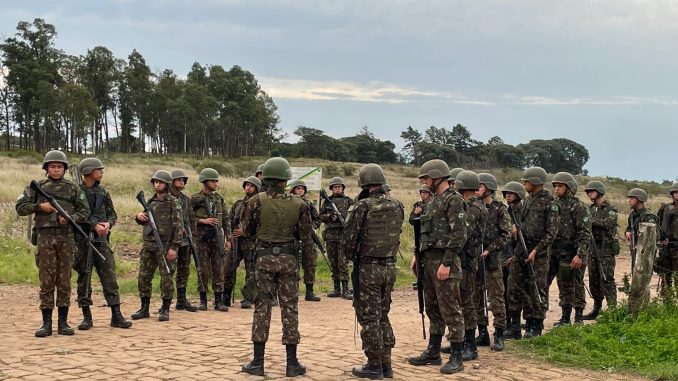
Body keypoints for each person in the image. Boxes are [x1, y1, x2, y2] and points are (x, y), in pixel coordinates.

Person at [241, 157, 313, 377]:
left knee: (262, 307)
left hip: (263, 259)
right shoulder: (299, 203)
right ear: (286, 178)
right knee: (289, 308)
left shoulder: (255, 201)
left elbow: (246, 230)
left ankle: (258, 362)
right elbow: (305, 234)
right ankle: (292, 364)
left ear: (267, 178)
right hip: (289, 260)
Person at [16, 150, 90, 337]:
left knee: (64, 281)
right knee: (47, 281)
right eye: (52, 166)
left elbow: (84, 212)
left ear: (64, 169)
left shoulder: (73, 188)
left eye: (59, 167)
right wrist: (39, 207)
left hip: (66, 237)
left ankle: (63, 323)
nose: (56, 170)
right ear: (46, 168)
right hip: (45, 237)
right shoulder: (36, 187)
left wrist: (71, 218)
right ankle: (46, 323)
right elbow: (20, 208)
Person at [343, 164, 404, 379]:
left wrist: (354, 257)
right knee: (383, 315)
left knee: (369, 318)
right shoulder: (398, 205)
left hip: (368, 269)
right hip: (389, 267)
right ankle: (386, 364)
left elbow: (348, 243)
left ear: (364, 183)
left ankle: (374, 365)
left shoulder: (362, 207)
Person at [407, 159, 467, 374]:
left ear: (437, 176)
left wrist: (447, 263)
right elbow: (426, 231)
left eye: (426, 178)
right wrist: (418, 256)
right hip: (428, 260)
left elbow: (459, 235)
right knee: (433, 308)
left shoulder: (454, 200)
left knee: (450, 309)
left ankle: (457, 355)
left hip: (445, 261)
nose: (424, 182)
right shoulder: (433, 201)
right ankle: (433, 351)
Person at [74, 158, 132, 330]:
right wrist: (94, 225)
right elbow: (76, 215)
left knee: (110, 277)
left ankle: (117, 315)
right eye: (99, 169)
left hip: (101, 241)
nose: (102, 172)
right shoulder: (76, 191)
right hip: (83, 241)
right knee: (84, 279)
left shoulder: (103, 192)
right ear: (89, 171)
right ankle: (86, 317)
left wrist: (108, 224)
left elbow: (112, 214)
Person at [131, 170, 183, 322]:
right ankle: (144, 308)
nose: (157, 184)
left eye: (160, 182)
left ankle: (165, 309)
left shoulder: (173, 202)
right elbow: (145, 220)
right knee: (143, 277)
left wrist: (174, 247)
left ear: (167, 184)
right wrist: (139, 217)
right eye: (155, 182)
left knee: (166, 278)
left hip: (166, 245)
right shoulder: (150, 201)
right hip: (149, 245)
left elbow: (178, 226)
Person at [513, 167, 559, 338]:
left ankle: (537, 325)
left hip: (538, 255)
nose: (524, 184)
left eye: (526, 181)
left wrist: (536, 250)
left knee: (537, 289)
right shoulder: (528, 200)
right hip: (523, 251)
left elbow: (551, 233)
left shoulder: (550, 203)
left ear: (536, 182)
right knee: (523, 288)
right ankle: (528, 321)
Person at [551, 173, 591, 326]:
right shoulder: (554, 205)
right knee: (563, 285)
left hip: (575, 252)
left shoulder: (578, 207)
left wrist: (580, 255)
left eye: (560, 186)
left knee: (577, 284)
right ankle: (565, 317)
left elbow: (584, 233)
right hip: (559, 253)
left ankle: (579, 317)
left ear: (569, 188)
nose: (557, 189)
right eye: (555, 186)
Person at [475, 173, 510, 351]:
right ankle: (482, 333)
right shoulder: (472, 207)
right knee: (476, 299)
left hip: (493, 261)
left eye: (479, 186)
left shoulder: (499, 209)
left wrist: (489, 249)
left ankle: (499, 335)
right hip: (475, 261)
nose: (476, 189)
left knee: (496, 298)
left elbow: (506, 235)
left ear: (488, 189)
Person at [191, 168, 232, 312]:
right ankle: (203, 300)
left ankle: (218, 301)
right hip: (201, 238)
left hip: (217, 238)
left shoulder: (219, 199)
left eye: (216, 181)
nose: (216, 183)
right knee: (202, 269)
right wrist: (203, 221)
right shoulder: (194, 199)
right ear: (205, 181)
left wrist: (229, 238)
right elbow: (187, 218)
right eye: (213, 181)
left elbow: (226, 219)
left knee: (219, 269)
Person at [582, 180, 619, 319]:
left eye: (591, 191)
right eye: (587, 192)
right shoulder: (590, 209)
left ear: (599, 192)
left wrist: (589, 221)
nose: (589, 194)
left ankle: (613, 310)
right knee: (594, 281)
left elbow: (608, 224)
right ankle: (596, 309)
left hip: (606, 251)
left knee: (607, 280)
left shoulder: (611, 209)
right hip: (592, 250)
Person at [224, 176, 262, 308]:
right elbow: (229, 221)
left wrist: (244, 232)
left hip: (251, 243)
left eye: (251, 185)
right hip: (236, 243)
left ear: (257, 188)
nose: (248, 187)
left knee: (250, 271)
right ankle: (226, 296)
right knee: (228, 268)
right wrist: (230, 237)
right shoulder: (238, 204)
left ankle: (248, 298)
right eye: (246, 185)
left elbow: (261, 225)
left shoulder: (259, 204)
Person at [169, 169, 199, 313]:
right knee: (169, 270)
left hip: (185, 240)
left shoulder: (186, 200)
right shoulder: (165, 198)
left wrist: (192, 235)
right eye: (179, 180)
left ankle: (181, 299)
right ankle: (166, 300)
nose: (182, 182)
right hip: (170, 240)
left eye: (183, 180)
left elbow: (191, 219)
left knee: (184, 269)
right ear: (172, 182)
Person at [320, 176, 354, 300]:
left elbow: (354, 217)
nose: (337, 189)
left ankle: (345, 289)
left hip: (343, 236)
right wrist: (330, 216)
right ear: (331, 189)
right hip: (330, 236)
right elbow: (320, 216)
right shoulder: (327, 202)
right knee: (333, 263)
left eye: (339, 187)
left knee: (343, 263)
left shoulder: (349, 201)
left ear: (343, 188)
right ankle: (336, 289)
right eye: (335, 187)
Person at [501, 181, 527, 340]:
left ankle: (517, 327)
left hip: (518, 257)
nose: (507, 196)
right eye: (506, 193)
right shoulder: (505, 211)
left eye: (511, 193)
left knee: (515, 292)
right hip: (503, 256)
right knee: (504, 293)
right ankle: (508, 324)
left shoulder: (524, 212)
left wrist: (515, 256)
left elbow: (525, 238)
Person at [289, 179, 322, 302]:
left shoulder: (309, 204)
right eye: (298, 188)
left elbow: (317, 219)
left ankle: (309, 292)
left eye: (302, 188)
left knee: (310, 264)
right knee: (293, 266)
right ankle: (293, 292)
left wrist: (312, 226)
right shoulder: (289, 204)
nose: (300, 190)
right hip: (293, 238)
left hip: (308, 239)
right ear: (293, 190)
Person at [625, 188, 659, 274]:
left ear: (639, 199)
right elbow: (629, 227)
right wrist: (627, 232)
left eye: (632, 198)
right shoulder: (633, 215)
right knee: (635, 275)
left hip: (646, 254)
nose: (629, 201)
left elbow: (654, 237)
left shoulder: (649, 216)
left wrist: (641, 245)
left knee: (643, 278)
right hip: (635, 251)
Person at [657, 181, 678, 293]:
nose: (677, 195)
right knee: (665, 276)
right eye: (675, 193)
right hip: (666, 246)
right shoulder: (665, 208)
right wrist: (661, 238)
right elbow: (657, 223)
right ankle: (667, 303)